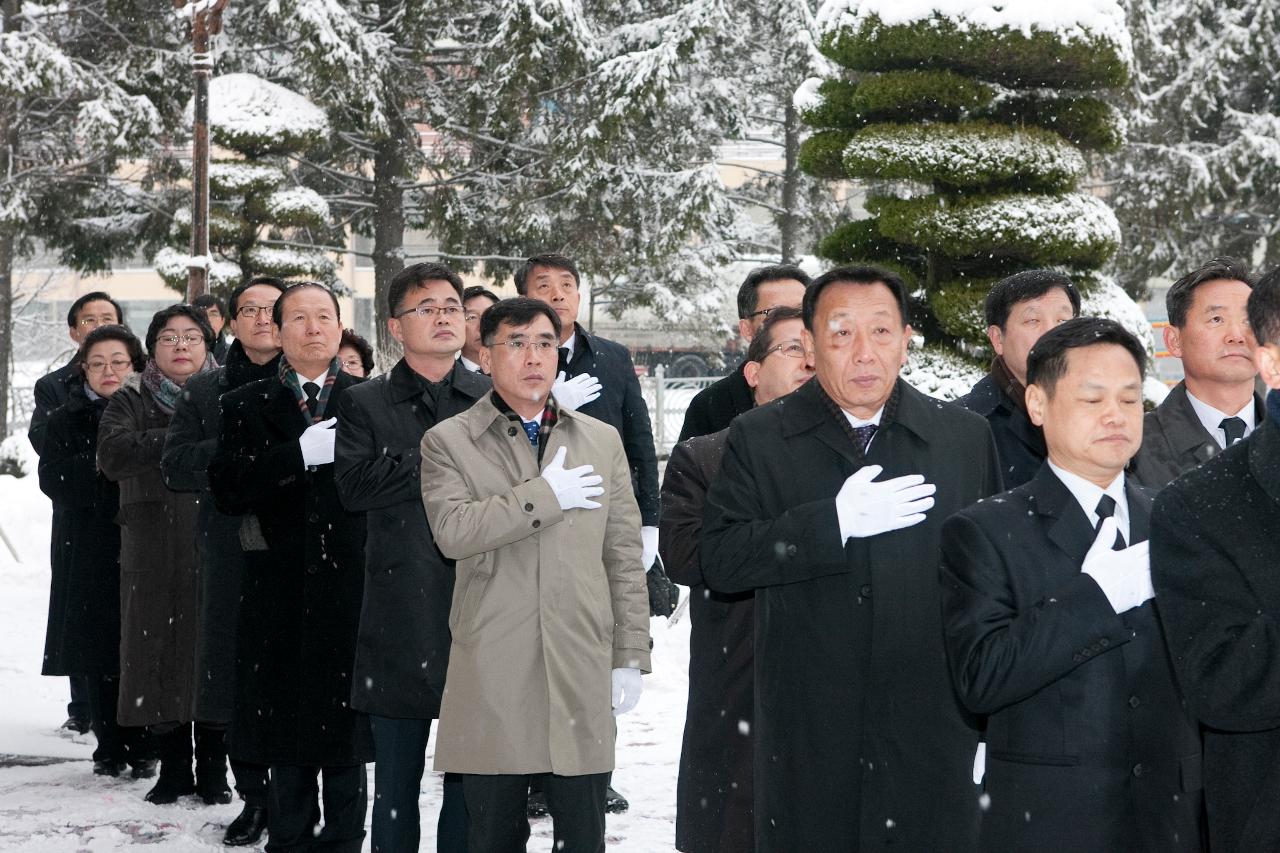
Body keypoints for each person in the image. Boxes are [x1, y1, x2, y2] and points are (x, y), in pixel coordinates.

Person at [700, 265, 1002, 851]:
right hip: (809, 725)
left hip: (931, 727)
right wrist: (829, 525)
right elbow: (722, 559)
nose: (864, 353)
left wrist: (991, 715)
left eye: (882, 332)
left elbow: (986, 585)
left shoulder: (961, 438)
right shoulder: (759, 437)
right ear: (810, 346)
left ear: (907, 339)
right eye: (841, 334)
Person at [941, 317, 1203, 852]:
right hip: (1051, 820)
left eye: (1130, 400)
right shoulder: (984, 531)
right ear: (1038, 405)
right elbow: (982, 676)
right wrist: (1095, 597)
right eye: (1092, 399)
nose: (1116, 416)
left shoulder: (1177, 522)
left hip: (1171, 816)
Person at [420, 297, 651, 852]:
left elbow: (622, 555)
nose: (533, 357)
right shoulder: (449, 440)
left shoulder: (600, 439)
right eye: (517, 343)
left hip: (580, 657)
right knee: (494, 835)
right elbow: (453, 530)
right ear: (486, 355)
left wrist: (630, 654)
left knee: (582, 835)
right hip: (496, 661)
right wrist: (545, 496)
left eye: (545, 343)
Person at [209, 283, 373, 853]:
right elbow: (226, 488)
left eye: (324, 316)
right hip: (276, 593)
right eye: (298, 318)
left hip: (353, 591)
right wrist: (295, 456)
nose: (313, 328)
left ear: (339, 327)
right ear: (277, 332)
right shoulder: (243, 403)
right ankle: (289, 839)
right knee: (286, 743)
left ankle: (346, 841)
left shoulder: (370, 400)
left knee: (348, 745)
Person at [334, 263, 489, 853]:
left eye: (452, 306)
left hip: (481, 602)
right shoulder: (365, 401)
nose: (445, 316)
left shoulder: (489, 396)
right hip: (399, 607)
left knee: (470, 782)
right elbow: (354, 486)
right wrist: (446, 459)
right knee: (395, 786)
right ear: (397, 327)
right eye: (428, 307)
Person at [660, 306, 813, 853]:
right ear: (752, 373)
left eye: (818, 348)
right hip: (737, 668)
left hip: (830, 679)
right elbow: (684, 555)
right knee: (732, 826)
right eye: (793, 349)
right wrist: (807, 534)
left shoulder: (861, 460)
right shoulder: (706, 457)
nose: (809, 360)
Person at [515, 254, 661, 813]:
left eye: (567, 286)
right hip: (532, 521)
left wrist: (649, 518)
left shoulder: (613, 359)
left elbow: (639, 442)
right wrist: (548, 406)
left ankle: (595, 771)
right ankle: (534, 775)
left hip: (600, 518)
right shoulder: (507, 356)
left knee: (600, 648)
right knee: (535, 649)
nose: (557, 295)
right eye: (543, 287)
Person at [1150, 266, 1280, 853]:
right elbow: (1223, 679)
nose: (1231, 334)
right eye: (1215, 318)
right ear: (1270, 362)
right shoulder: (1196, 505)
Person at [161, 276, 286, 846]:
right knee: (236, 677)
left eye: (272, 309)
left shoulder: (314, 383)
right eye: (249, 310)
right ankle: (253, 796)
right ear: (230, 323)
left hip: (303, 551)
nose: (262, 318)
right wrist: (242, 451)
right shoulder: (205, 391)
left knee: (296, 678)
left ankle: (292, 796)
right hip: (231, 546)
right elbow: (176, 464)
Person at [97, 304, 222, 804]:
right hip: (153, 547)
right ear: (152, 349)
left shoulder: (228, 392)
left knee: (213, 655)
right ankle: (173, 769)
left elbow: (243, 446)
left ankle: (215, 770)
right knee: (158, 656)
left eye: (192, 336)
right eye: (169, 338)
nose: (181, 346)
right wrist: (183, 440)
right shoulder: (131, 397)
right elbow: (112, 455)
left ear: (208, 345)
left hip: (217, 541)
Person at [38, 324, 151, 779]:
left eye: (118, 362)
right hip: (88, 543)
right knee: (99, 650)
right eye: (98, 363)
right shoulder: (65, 418)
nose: (109, 371)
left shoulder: (153, 412)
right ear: (84, 369)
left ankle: (145, 741)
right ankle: (108, 744)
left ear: (136, 367)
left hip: (145, 540)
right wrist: (106, 463)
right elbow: (54, 478)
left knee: (142, 644)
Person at [29, 289, 124, 734]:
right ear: (73, 332)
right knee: (81, 611)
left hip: (133, 518)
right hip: (79, 515)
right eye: (89, 319)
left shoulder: (139, 378)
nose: (99, 324)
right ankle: (84, 706)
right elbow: (47, 446)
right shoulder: (56, 386)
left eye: (108, 316)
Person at [1131, 257, 1262, 488]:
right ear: (1174, 340)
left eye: (1249, 321)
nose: (1236, 335)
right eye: (1216, 319)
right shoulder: (1134, 446)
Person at [958, 270, 1080, 488]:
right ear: (997, 339)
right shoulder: (963, 425)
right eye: (1033, 320)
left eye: (1063, 320)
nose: (1052, 333)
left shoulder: (1101, 416)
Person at [677, 265, 809, 441]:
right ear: (747, 329)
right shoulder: (712, 407)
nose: (793, 322)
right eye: (776, 313)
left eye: (802, 311)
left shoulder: (841, 397)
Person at [461, 285, 500, 374]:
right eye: (472, 317)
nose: (482, 326)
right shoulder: (446, 378)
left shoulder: (518, 372)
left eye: (490, 316)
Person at [193, 292, 230, 363]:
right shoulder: (183, 353)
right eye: (202, 314)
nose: (208, 319)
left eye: (213, 314)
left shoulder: (235, 355)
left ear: (222, 321)